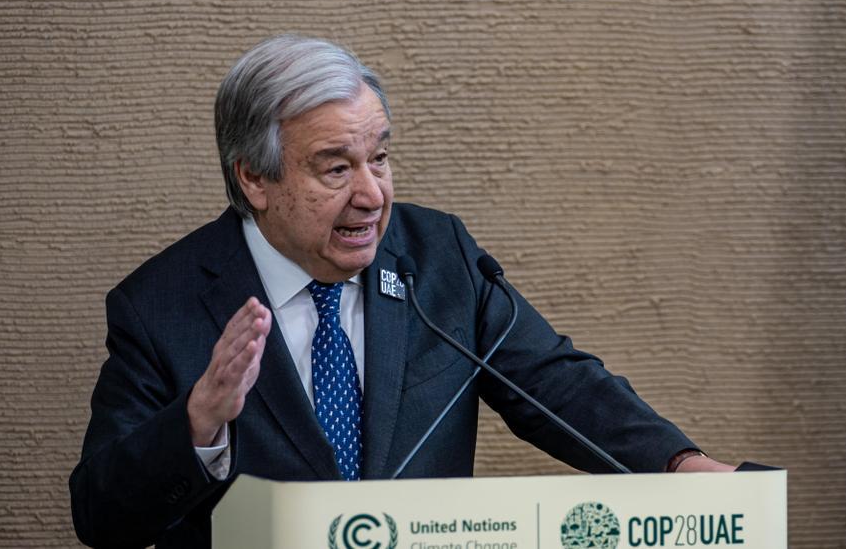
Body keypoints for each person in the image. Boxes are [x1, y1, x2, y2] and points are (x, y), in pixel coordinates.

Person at [69, 35, 732, 549]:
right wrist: (197, 423)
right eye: (336, 167)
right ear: (255, 179)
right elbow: (100, 515)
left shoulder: (437, 255)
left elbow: (555, 384)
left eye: (379, 158)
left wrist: (676, 464)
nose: (372, 194)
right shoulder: (161, 305)